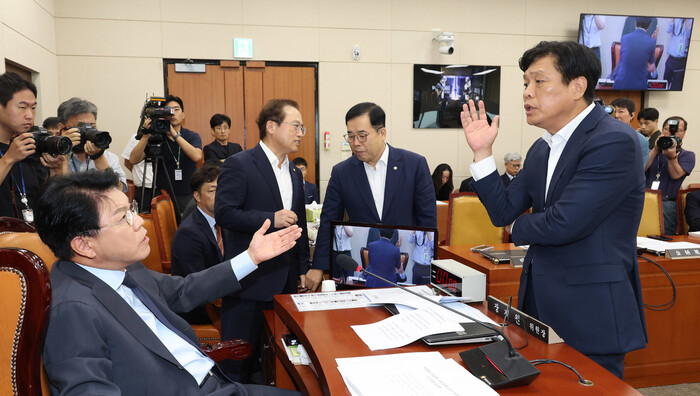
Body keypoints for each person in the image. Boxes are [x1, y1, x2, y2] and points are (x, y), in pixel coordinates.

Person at [460, 40, 646, 379]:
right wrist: (483, 153)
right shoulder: (543, 148)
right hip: (540, 308)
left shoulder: (613, 140)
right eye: (525, 84)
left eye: (539, 81)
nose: (527, 93)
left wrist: (517, 230)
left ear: (577, 86)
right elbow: (503, 212)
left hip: (590, 312)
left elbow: (564, 223)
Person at [35, 169, 301, 395]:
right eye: (123, 217)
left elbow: (184, 290)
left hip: (217, 384)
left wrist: (251, 258)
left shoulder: (122, 268)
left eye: (132, 210)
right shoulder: (72, 309)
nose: (139, 221)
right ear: (84, 244)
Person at [215, 98, 310, 382]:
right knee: (237, 363)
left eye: (302, 127)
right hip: (250, 281)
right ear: (271, 126)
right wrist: (270, 217)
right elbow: (225, 213)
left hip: (285, 281)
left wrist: (303, 267)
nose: (300, 133)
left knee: (277, 361)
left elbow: (299, 221)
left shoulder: (294, 171)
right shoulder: (240, 164)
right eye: (296, 126)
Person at [306, 102, 437, 291]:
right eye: (350, 136)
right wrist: (318, 266)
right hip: (365, 271)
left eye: (362, 135)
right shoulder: (342, 173)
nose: (355, 142)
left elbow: (428, 222)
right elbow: (328, 220)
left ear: (382, 132)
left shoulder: (414, 165)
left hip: (403, 278)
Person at [0, 72, 64, 219]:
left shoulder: (30, 145)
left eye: (33, 108)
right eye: (22, 107)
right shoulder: (16, 150)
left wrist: (55, 171)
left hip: (31, 236)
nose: (29, 115)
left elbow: (47, 202)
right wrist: (9, 158)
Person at [171, 162, 227, 324]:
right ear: (197, 196)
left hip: (220, 295)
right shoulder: (189, 234)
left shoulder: (224, 222)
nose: (220, 195)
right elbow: (195, 288)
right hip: (202, 310)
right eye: (212, 190)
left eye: (222, 189)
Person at [128, 95, 203, 215]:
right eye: (169, 110)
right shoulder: (157, 137)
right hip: (163, 196)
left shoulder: (192, 136)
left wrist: (174, 134)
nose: (172, 113)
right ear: (163, 114)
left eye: (176, 109)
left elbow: (197, 156)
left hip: (188, 195)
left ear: (183, 115)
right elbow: (133, 160)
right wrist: (146, 135)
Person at [56, 97, 127, 192]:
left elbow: (118, 191)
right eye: (81, 126)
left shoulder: (109, 158)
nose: (87, 131)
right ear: (62, 128)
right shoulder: (53, 158)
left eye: (92, 126)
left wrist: (98, 157)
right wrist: (63, 149)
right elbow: (58, 195)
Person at [644, 116, 695, 235]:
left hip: (666, 204)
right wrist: (655, 150)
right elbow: (640, 168)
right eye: (667, 129)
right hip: (643, 199)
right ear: (662, 130)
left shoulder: (687, 155)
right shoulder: (650, 151)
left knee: (663, 238)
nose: (670, 133)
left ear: (684, 133)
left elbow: (675, 175)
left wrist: (672, 157)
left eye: (676, 131)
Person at [612, 17, 657, 90]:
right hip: (639, 86)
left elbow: (624, 59)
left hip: (621, 84)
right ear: (649, 26)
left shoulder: (624, 38)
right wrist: (651, 41)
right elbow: (651, 65)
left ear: (635, 24)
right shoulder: (651, 42)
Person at [610, 98, 649, 169]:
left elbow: (640, 168)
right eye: (614, 112)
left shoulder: (640, 140)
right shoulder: (602, 135)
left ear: (632, 115)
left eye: (621, 112)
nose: (616, 115)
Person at [121, 132, 154, 212]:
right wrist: (139, 175)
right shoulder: (137, 137)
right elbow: (128, 162)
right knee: (144, 219)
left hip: (165, 188)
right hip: (144, 189)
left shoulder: (169, 136)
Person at [663, 18, 692, 90]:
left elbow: (689, 35)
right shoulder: (676, 19)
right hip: (671, 57)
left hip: (681, 59)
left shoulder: (690, 20)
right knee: (665, 83)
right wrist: (673, 19)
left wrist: (686, 20)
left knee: (677, 86)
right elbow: (667, 30)